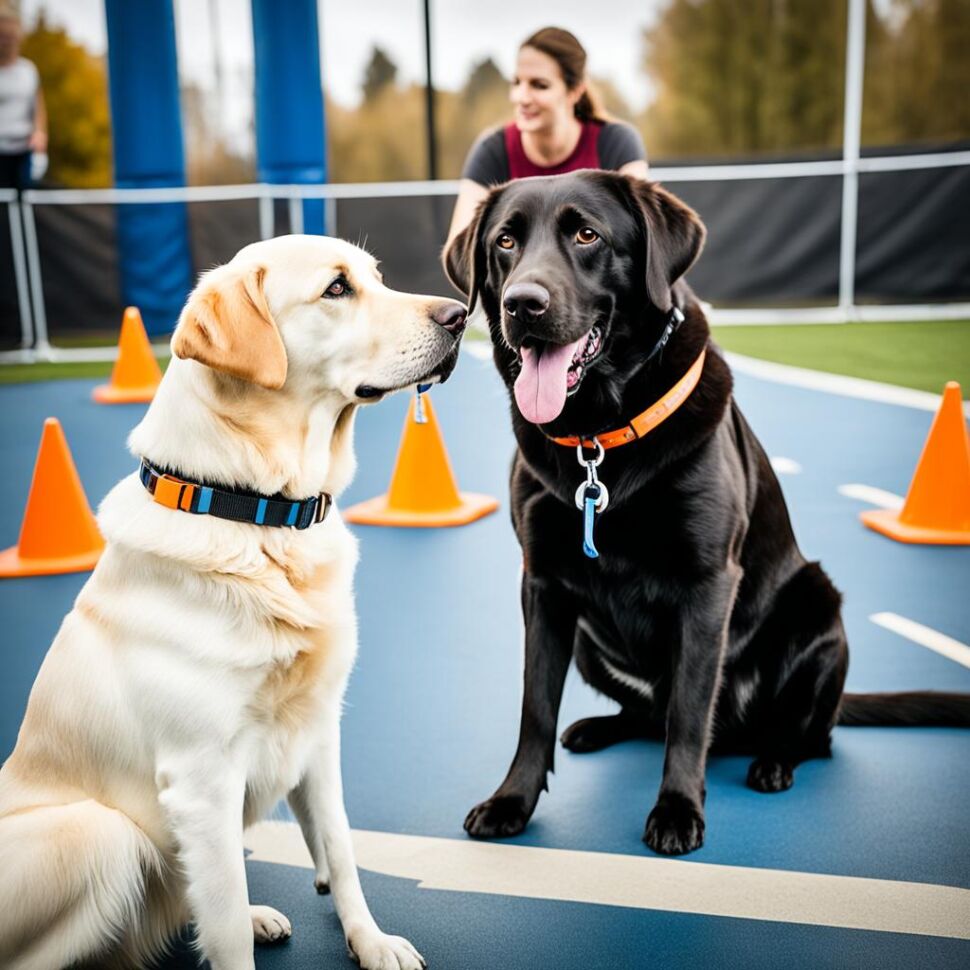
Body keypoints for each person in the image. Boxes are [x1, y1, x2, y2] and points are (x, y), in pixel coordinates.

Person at [447, 26, 648, 246]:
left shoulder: (616, 142)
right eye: (516, 82)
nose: (521, 97)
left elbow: (641, 236)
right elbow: (460, 246)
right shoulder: (493, 150)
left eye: (539, 85)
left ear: (575, 92)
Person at [0, 8, 46, 191]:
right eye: (3, 36)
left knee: (24, 199)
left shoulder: (28, 70)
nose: (8, 42)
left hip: (22, 150)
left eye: (12, 36)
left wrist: (40, 135)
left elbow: (38, 108)